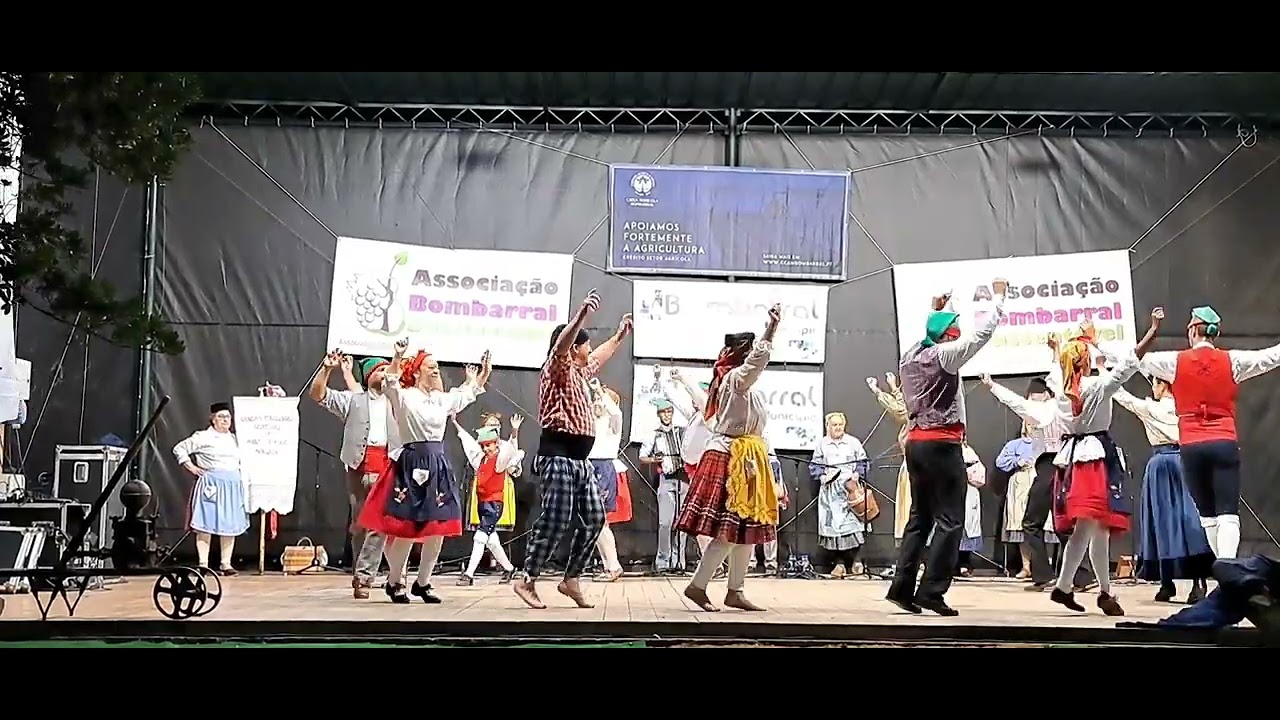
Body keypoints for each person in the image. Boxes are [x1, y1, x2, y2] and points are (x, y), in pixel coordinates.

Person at [887, 280, 1007, 616]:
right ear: (948, 334)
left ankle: (902, 587)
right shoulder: (944, 356)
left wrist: (936, 309)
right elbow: (980, 337)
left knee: (919, 520)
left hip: (915, 444)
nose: (958, 331)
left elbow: (930, 331)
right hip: (942, 444)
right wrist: (998, 298)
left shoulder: (910, 356)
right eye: (954, 327)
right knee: (951, 520)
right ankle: (932, 591)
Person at [513, 289, 632, 609]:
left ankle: (571, 579)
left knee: (594, 519)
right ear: (573, 349)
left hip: (580, 461)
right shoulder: (558, 367)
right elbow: (562, 345)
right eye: (586, 344)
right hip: (558, 456)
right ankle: (528, 578)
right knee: (556, 518)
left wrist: (619, 337)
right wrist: (581, 315)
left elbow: (601, 355)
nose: (589, 349)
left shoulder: (580, 371)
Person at [1041, 310, 1163, 616]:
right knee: (1090, 525)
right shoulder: (1095, 387)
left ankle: (1092, 589)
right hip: (1092, 459)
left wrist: (1064, 349)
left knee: (1097, 529)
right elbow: (1129, 363)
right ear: (1085, 360)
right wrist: (1152, 332)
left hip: (1075, 457)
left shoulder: (1060, 390)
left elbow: (1060, 370)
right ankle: (1072, 586)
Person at [1138, 306, 1280, 561]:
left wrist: (1094, 345)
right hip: (1223, 442)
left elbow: (1134, 358)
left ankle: (1225, 569)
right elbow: (1269, 357)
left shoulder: (1174, 361)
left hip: (1192, 445)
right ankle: (1228, 567)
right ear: (1214, 333)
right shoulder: (1232, 360)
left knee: (1207, 514)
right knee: (1228, 513)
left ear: (1192, 330)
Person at [357, 341, 491, 604]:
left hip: (436, 464)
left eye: (437, 367)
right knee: (408, 530)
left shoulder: (441, 400)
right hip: (411, 463)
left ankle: (423, 582)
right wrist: (396, 356)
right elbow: (390, 383)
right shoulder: (405, 396)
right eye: (431, 367)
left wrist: (483, 374)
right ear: (417, 372)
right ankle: (395, 581)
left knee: (439, 527)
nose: (436, 371)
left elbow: (467, 393)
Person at [676, 304, 782, 612]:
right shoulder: (735, 379)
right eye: (748, 353)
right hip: (730, 459)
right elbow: (756, 363)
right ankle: (698, 585)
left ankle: (735, 590)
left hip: (748, 459)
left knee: (747, 529)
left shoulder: (747, 388)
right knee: (729, 528)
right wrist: (771, 331)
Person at [981, 371, 1091, 591]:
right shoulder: (1070, 408)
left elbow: (1016, 403)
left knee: (1031, 523)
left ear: (1046, 393)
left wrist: (992, 385)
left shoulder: (1045, 410)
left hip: (1049, 466)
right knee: (1064, 524)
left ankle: (1044, 575)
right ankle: (1080, 575)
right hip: (1069, 466)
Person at [1112, 377, 1214, 602]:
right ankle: (1196, 583)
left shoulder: (1152, 408)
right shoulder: (1187, 409)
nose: (1152, 388)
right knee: (1190, 519)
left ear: (1164, 385)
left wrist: (1102, 372)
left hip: (1162, 464)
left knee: (1162, 522)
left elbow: (1122, 397)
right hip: (1186, 461)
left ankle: (1168, 584)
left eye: (1155, 383)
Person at [310, 352, 401, 599]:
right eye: (380, 371)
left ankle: (364, 577)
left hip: (386, 468)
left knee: (379, 524)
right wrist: (327, 370)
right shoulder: (354, 400)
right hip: (358, 467)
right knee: (361, 525)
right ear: (370, 375)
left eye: (387, 371)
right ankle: (360, 574)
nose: (385, 375)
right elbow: (318, 395)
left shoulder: (396, 401)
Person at [172, 402, 250, 576]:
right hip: (211, 485)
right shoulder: (202, 437)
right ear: (212, 419)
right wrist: (190, 466)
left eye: (228, 417)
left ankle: (226, 563)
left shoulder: (236, 439)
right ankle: (203, 564)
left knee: (230, 524)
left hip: (232, 485)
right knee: (205, 525)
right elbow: (179, 448)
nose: (225, 420)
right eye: (221, 417)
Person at [453, 413, 524, 585]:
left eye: (489, 445)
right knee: (491, 540)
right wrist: (454, 422)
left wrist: (514, 432)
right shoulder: (481, 459)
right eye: (484, 446)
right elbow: (468, 443)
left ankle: (469, 575)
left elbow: (511, 450)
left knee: (480, 537)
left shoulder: (500, 460)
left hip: (494, 504)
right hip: (482, 502)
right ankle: (509, 569)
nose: (486, 449)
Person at [810, 412, 869, 578]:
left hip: (850, 490)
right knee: (834, 529)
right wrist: (822, 476)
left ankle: (857, 561)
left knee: (855, 527)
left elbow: (863, 461)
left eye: (840, 425)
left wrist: (858, 473)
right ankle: (839, 564)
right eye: (834, 425)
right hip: (831, 492)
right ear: (827, 426)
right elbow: (815, 466)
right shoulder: (822, 444)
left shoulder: (853, 442)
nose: (837, 428)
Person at [640, 396, 690, 573]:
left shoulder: (681, 431)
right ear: (658, 414)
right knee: (665, 522)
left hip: (683, 480)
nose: (667, 415)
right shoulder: (654, 434)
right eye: (663, 412)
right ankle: (663, 560)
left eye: (669, 411)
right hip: (666, 479)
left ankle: (679, 561)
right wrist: (656, 459)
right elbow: (642, 456)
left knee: (681, 522)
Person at [587, 380, 627, 581]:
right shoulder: (592, 422)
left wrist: (599, 390)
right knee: (595, 523)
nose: (597, 402)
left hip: (603, 468)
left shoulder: (613, 423)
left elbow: (616, 413)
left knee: (599, 521)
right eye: (595, 399)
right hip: (589, 467)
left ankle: (613, 566)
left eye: (601, 400)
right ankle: (609, 566)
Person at [866, 374, 910, 551]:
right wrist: (892, 387)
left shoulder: (921, 410)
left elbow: (900, 410)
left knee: (912, 512)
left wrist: (880, 390)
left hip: (919, 468)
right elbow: (902, 408)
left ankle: (921, 560)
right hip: (915, 466)